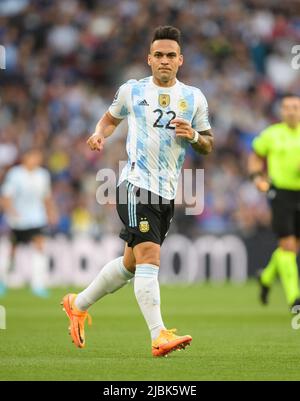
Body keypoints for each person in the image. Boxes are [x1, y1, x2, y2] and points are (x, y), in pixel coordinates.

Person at [62, 26, 214, 357]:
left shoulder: (194, 98)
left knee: (131, 264)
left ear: (180, 60)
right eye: (158, 55)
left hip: (166, 195)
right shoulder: (131, 91)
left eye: (170, 55)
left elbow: (207, 144)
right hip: (135, 186)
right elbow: (109, 120)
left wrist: (193, 137)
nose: (164, 60)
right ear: (149, 59)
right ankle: (158, 335)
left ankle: (78, 303)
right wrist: (98, 134)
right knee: (150, 257)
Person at [249, 94, 300, 309]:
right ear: (281, 111)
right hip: (280, 195)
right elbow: (255, 156)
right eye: (287, 107)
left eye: (295, 107)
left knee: (292, 247)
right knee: (287, 245)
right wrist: (257, 178)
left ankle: (266, 277)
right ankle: (294, 300)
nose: (290, 111)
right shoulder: (271, 134)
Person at [0, 148, 57, 297]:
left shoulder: (43, 175)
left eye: (39, 158)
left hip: (37, 218)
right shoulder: (15, 174)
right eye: (34, 157)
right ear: (26, 158)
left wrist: (51, 212)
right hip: (18, 220)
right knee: (12, 250)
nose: (37, 160)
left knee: (40, 246)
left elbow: (46, 197)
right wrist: (11, 211)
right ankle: (3, 281)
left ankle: (38, 284)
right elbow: (6, 196)